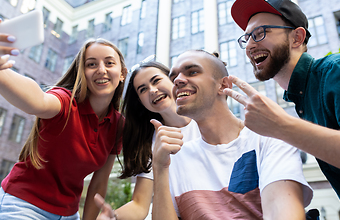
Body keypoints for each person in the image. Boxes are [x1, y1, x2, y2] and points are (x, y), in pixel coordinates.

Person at [227, 0, 340, 219]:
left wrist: (280, 126)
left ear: (297, 38)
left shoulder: (339, 70)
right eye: (246, 37)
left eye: (259, 33)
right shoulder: (302, 99)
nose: (249, 45)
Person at [151, 49, 313, 220]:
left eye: (192, 72)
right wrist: (159, 168)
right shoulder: (174, 159)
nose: (177, 81)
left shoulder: (270, 139)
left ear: (223, 85)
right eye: (173, 77)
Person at [0, 37, 127, 220]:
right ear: (82, 72)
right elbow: (38, 100)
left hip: (68, 214)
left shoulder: (118, 125)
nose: (101, 70)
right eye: (91, 64)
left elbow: (99, 183)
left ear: (122, 73)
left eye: (109, 63)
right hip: (24, 204)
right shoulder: (65, 102)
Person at [94, 60, 201, 220]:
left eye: (156, 80)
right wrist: (113, 217)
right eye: (143, 89)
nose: (152, 90)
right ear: (141, 102)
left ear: (173, 79)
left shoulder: (206, 119)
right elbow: (139, 205)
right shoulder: (151, 144)